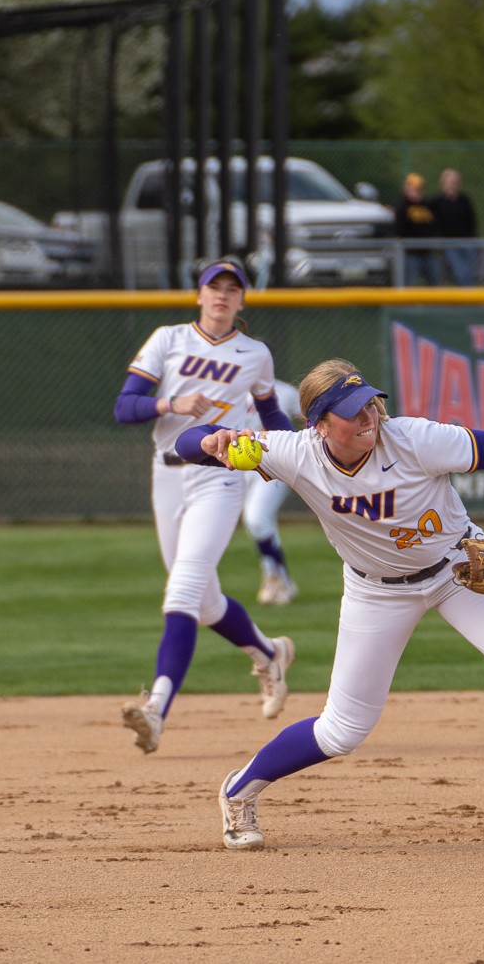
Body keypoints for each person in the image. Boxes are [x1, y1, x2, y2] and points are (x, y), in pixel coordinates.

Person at [175, 359, 484, 859]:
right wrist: (211, 440)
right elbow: (185, 443)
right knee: (342, 730)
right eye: (351, 411)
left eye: (369, 401)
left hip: (458, 569)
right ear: (319, 424)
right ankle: (238, 789)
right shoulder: (293, 453)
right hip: (376, 592)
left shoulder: (414, 439)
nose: (368, 415)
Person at [113, 256, 296, 754]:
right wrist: (170, 404)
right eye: (214, 287)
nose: (222, 295)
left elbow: (273, 413)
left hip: (219, 480)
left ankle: (156, 710)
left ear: (241, 299)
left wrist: (300, 456)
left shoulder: (254, 353)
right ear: (199, 294)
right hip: (166, 475)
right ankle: (269, 652)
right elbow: (124, 406)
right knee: (207, 602)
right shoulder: (168, 339)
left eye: (232, 289)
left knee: (184, 590)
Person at [243, 377, 301, 606]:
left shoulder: (284, 391)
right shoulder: (227, 389)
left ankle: (276, 577)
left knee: (256, 519)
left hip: (274, 462)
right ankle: (278, 578)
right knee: (258, 524)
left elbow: (309, 417)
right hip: (239, 465)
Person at [430, 168, 479, 286]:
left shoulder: (464, 200)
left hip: (467, 241)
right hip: (449, 243)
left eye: (455, 182)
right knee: (460, 271)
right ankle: (464, 297)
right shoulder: (437, 201)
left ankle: (470, 297)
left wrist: (472, 237)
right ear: (443, 183)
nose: (453, 185)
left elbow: (472, 220)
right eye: (450, 182)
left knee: (471, 272)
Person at [393, 173, 443, 286]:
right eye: (414, 189)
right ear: (406, 189)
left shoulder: (427, 206)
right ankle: (406, 303)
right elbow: (399, 229)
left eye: (419, 189)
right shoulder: (402, 207)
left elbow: (434, 224)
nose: (418, 192)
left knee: (436, 281)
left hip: (427, 252)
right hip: (410, 253)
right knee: (409, 282)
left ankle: (436, 303)